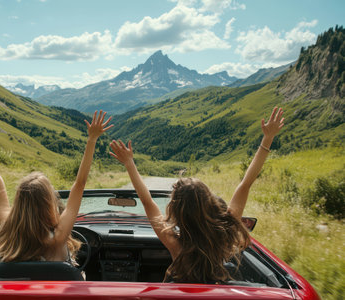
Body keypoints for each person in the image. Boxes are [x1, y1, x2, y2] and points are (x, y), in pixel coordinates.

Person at [109, 107, 285, 284]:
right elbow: (245, 184)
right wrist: (267, 139)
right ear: (209, 202)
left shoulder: (176, 244)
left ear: (177, 211)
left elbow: (147, 202)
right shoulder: (224, 235)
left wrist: (129, 163)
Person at [0, 109, 112, 264]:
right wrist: (92, 139)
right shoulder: (58, 238)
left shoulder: (7, 228)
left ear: (19, 202)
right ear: (49, 203)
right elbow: (80, 183)